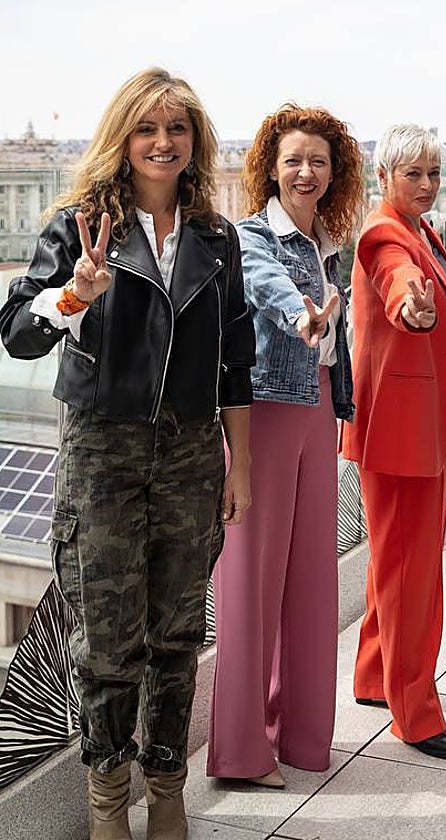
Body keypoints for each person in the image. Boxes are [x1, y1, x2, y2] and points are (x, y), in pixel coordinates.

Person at [0, 68, 255, 840]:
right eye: (147, 128)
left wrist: (238, 465)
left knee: (178, 635)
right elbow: (16, 332)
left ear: (194, 142)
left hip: (190, 455)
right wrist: (76, 293)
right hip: (103, 455)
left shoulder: (216, 236)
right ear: (124, 138)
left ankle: (167, 792)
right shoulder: (79, 225)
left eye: (176, 129)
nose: (162, 142)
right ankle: (109, 802)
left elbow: (234, 362)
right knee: (107, 641)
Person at [207, 105, 362, 787]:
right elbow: (268, 289)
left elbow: (340, 341)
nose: (306, 172)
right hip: (263, 417)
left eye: (319, 162)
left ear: (335, 173)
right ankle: (239, 752)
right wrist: (303, 313)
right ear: (272, 166)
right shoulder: (249, 236)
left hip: (318, 413)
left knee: (311, 584)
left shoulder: (330, 242)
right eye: (294, 159)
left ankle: (300, 736)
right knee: (250, 588)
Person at [341, 124, 446, 760]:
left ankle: (372, 676)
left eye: (433, 174)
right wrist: (410, 308)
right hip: (402, 429)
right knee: (412, 570)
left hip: (419, 423)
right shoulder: (385, 231)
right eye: (412, 173)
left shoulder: (425, 229)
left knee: (392, 560)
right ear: (385, 175)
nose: (425, 185)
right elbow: (396, 285)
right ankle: (414, 711)